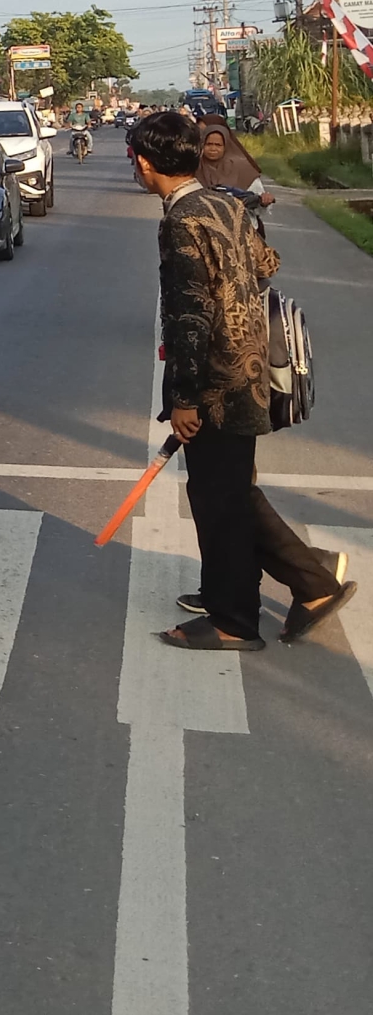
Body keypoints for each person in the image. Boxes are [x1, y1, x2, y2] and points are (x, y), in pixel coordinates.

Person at [127, 109, 354, 651]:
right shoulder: (226, 204)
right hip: (251, 373)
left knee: (219, 500)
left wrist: (184, 398)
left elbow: (190, 315)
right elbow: (266, 263)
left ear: (145, 163)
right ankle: (310, 582)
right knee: (229, 492)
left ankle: (233, 622)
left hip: (216, 384)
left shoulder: (181, 221)